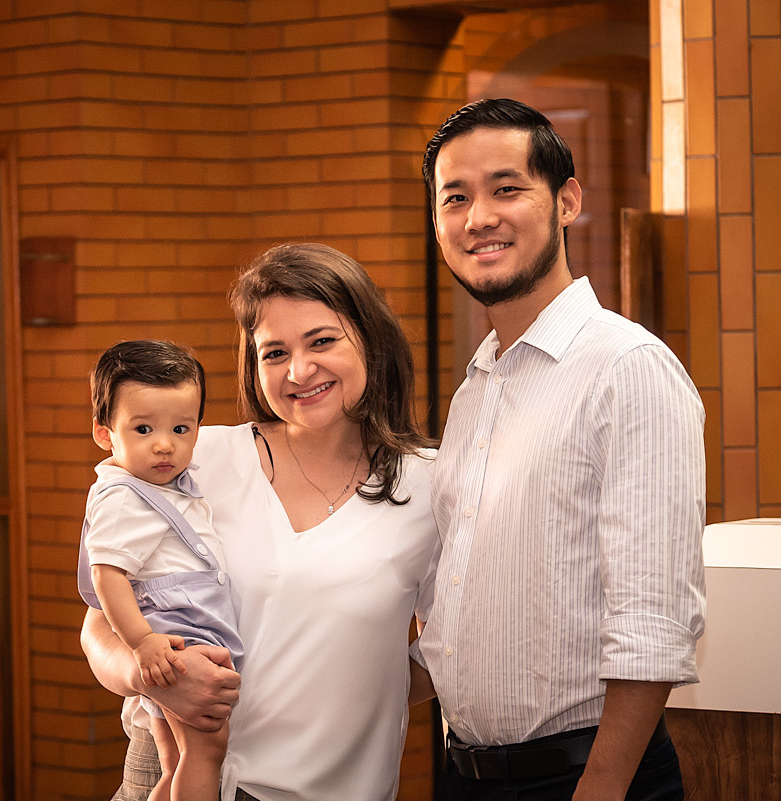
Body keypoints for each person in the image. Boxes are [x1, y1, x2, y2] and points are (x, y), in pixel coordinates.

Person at [416, 98, 706, 800]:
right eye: (455, 197)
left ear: (567, 200)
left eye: (506, 188)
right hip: (466, 773)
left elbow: (652, 621)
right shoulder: (476, 387)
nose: (479, 216)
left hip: (587, 779)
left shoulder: (626, 366)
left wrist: (598, 791)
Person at [81, 243, 440, 801]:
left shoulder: (430, 486)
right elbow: (99, 623)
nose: (299, 370)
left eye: (322, 341)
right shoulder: (193, 459)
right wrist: (155, 678)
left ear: (370, 339)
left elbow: (451, 653)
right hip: (167, 774)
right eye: (274, 353)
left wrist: (349, 692)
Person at [79, 340, 245, 801]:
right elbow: (106, 576)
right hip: (176, 636)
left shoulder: (162, 485)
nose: (164, 444)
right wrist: (142, 642)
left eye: (181, 428)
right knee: (205, 754)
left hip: (174, 634)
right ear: (104, 433)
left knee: (173, 762)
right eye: (143, 428)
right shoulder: (123, 496)